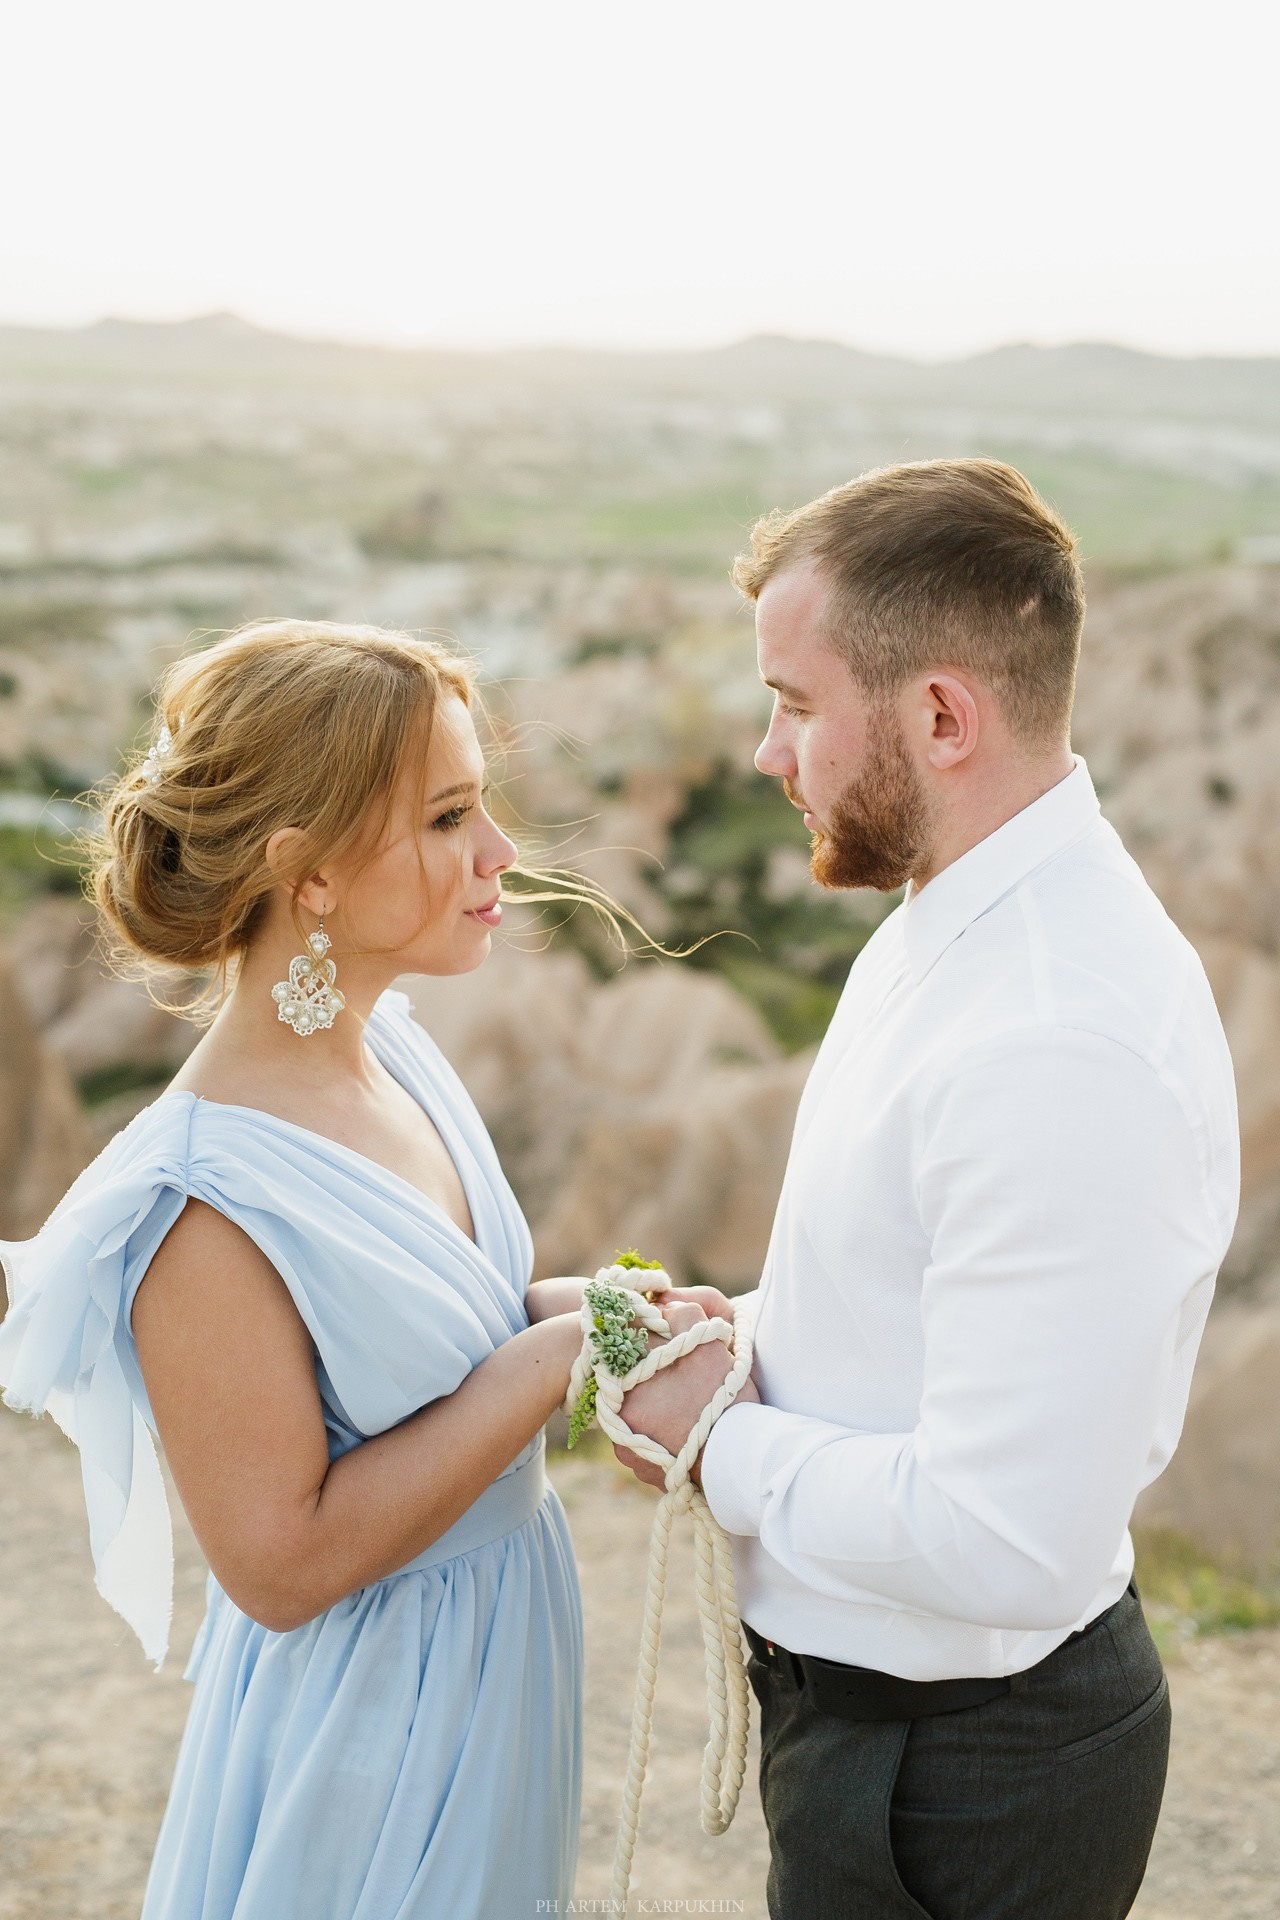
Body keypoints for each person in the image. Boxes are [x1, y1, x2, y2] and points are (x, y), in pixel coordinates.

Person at [0, 618, 712, 1920]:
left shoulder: (404, 1059)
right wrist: (555, 1358)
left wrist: (604, 1314)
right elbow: (277, 1565)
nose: (500, 856)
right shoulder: (204, 1205)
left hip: (498, 1661)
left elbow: (453, 1343)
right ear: (308, 875)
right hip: (374, 1727)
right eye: (447, 819)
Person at [617, 459, 1241, 1920]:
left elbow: (999, 1538)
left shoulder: (1056, 1034)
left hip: (967, 1778)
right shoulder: (948, 918)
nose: (771, 753)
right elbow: (908, 1283)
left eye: (795, 701)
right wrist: (750, 1340)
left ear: (942, 716)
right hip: (880, 1733)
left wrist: (718, 1440)